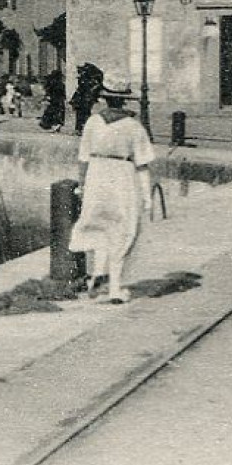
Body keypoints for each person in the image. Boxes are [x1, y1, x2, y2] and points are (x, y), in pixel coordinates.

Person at [71, 79, 154, 305]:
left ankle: (98, 272)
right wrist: (147, 197)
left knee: (99, 225)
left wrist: (82, 184)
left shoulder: (92, 123)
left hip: (97, 174)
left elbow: (83, 158)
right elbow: (143, 165)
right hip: (122, 175)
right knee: (123, 228)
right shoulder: (134, 127)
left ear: (105, 99)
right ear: (124, 99)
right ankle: (115, 288)